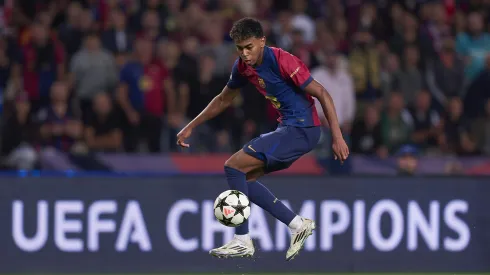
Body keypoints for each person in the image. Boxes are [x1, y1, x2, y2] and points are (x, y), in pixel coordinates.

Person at [176, 18, 349, 260]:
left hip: (302, 129)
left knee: (232, 166)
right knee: (243, 179)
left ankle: (242, 240)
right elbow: (223, 99)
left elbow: (321, 92)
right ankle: (297, 225)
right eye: (239, 48)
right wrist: (191, 125)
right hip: (288, 129)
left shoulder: (283, 60)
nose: (244, 54)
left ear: (262, 41)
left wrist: (337, 136)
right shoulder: (242, 67)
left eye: (249, 47)